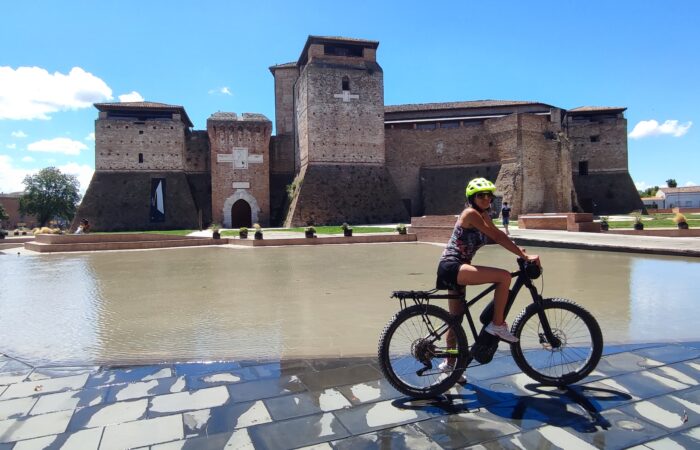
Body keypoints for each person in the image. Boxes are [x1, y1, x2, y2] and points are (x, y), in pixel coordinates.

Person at [436, 178, 540, 380]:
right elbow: (498, 236)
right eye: (481, 195)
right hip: (453, 266)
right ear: (471, 198)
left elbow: (495, 236)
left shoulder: (483, 215)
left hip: (456, 268)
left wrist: (519, 251)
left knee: (455, 319)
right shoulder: (470, 214)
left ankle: (449, 365)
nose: (486, 199)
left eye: (489, 196)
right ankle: (498, 324)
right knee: (503, 277)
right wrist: (523, 255)